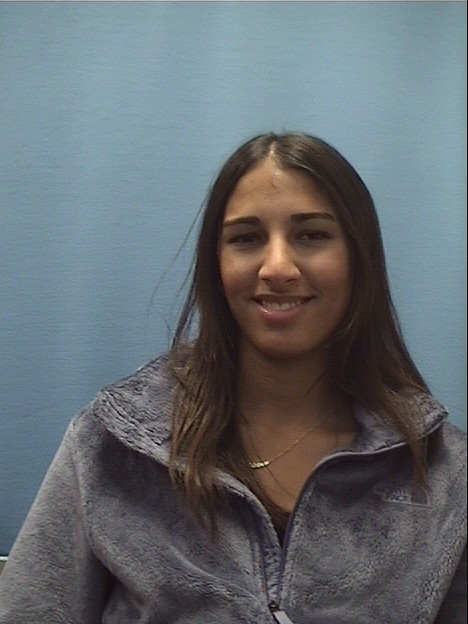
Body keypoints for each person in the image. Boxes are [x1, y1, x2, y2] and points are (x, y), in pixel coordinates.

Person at [0, 133, 466, 623]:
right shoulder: (111, 447)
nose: (278, 267)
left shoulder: (443, 474)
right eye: (246, 238)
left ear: (359, 258)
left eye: (311, 235)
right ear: (216, 265)